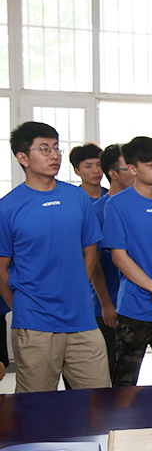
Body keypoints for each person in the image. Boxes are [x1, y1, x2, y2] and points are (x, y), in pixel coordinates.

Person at [0, 121, 108, 392]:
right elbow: (1, 270)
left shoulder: (77, 198)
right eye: (44, 149)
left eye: (56, 148)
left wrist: (77, 287)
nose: (54, 155)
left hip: (82, 320)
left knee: (98, 402)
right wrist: (21, 308)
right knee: (36, 407)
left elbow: (91, 250)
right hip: (35, 325)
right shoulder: (7, 208)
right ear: (22, 158)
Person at [102, 137, 152, 386]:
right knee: (124, 382)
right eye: (150, 164)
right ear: (133, 169)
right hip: (134, 308)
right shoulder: (116, 205)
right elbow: (119, 257)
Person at [89, 143, 135, 376]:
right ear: (113, 174)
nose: (135, 171)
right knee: (110, 370)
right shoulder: (98, 210)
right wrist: (106, 304)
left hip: (137, 302)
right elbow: (93, 262)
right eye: (129, 167)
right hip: (108, 303)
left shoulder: (139, 205)